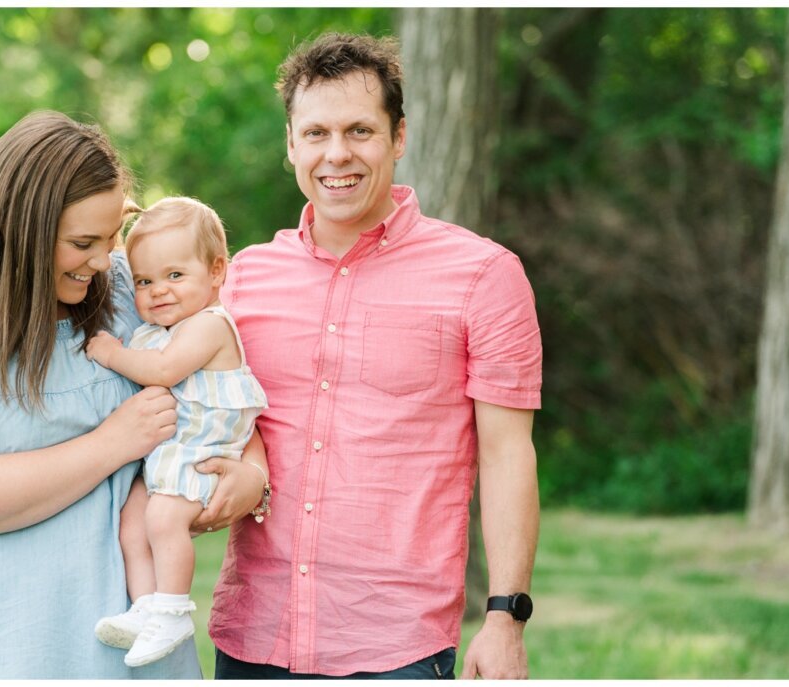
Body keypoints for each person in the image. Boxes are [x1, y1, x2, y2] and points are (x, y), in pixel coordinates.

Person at [0, 111, 267, 679]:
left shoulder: (128, 296)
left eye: (111, 237)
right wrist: (115, 441)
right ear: (22, 232)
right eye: (83, 242)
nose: (104, 260)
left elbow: (218, 379)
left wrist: (251, 470)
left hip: (134, 644)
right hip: (8, 644)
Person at [208, 33, 543, 679]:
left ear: (400, 136)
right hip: (253, 634)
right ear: (291, 144)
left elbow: (508, 454)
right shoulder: (244, 278)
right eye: (316, 133)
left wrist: (505, 616)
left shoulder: (484, 275)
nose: (337, 154)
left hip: (397, 644)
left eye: (360, 130)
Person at [85, 197, 268, 667]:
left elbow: (163, 370)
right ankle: (147, 607)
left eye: (174, 276)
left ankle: (173, 608)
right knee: (133, 521)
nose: (157, 291)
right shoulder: (161, 327)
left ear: (216, 272)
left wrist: (109, 353)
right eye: (144, 281)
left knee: (164, 520)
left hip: (203, 455)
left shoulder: (209, 325)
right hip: (169, 457)